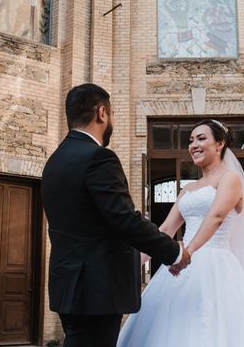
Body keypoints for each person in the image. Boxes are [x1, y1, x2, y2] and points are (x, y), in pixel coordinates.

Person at [41, 83, 191, 347]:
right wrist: (174, 252)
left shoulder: (55, 161)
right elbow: (125, 219)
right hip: (96, 286)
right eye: (112, 114)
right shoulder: (99, 157)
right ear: (102, 113)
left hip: (68, 283)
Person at [118, 119, 244, 347]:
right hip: (182, 260)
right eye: (191, 140)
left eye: (201, 138)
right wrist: (133, 264)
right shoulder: (188, 189)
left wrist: (186, 254)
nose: (193, 144)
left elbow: (215, 217)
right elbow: (165, 230)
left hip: (214, 263)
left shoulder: (230, 179)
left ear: (220, 144)